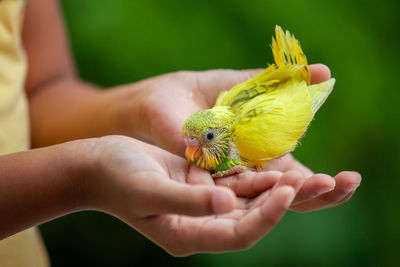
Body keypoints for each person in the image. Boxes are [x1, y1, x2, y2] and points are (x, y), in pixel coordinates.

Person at [0, 0, 361, 266]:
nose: (188, 149)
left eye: (201, 140)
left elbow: (41, 89)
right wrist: (80, 176)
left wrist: (141, 103)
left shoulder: (248, 134)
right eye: (192, 139)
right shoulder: (229, 129)